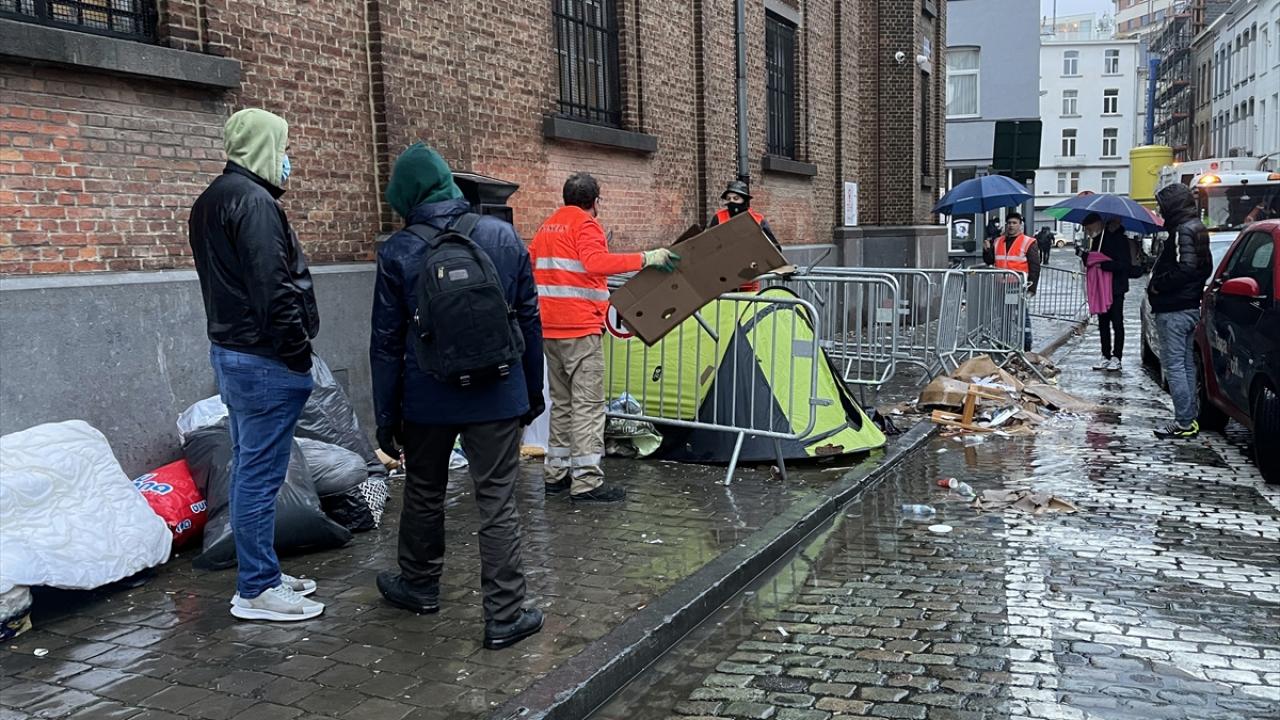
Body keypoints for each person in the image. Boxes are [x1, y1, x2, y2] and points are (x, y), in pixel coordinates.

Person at [370, 142, 545, 650]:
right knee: (497, 499)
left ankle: (420, 585)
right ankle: (505, 615)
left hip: (427, 396)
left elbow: (385, 341)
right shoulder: (502, 236)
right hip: (498, 391)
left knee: (424, 491)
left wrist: (387, 416)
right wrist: (530, 391)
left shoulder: (398, 251)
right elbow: (529, 320)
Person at [188, 108, 323, 622]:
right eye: (283, 147)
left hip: (236, 352)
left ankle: (261, 571)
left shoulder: (212, 200)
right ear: (264, 147)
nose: (287, 159)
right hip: (264, 358)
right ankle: (258, 588)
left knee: (251, 468)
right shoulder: (254, 202)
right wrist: (297, 354)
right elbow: (274, 288)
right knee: (260, 475)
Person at [530, 173, 679, 503]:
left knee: (563, 404)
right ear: (594, 201)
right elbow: (596, 263)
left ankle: (556, 474)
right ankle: (586, 481)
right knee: (588, 406)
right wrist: (646, 258)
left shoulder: (546, 228)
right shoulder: (585, 225)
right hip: (580, 329)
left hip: (550, 330)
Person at [1148, 183, 1213, 439]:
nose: (1160, 211)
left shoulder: (1182, 230)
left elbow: (1186, 268)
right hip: (1187, 306)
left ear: (1172, 206)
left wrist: (1159, 286)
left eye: (1162, 206)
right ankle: (1190, 418)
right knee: (1185, 364)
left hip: (1174, 308)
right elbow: (1204, 268)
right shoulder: (1197, 227)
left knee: (1174, 366)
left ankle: (1184, 421)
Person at [1078, 213, 1133, 372]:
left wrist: (1104, 265)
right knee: (1103, 323)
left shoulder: (1120, 240)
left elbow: (1124, 264)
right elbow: (1092, 260)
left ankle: (1117, 357)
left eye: (1089, 228)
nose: (1088, 232)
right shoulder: (1098, 240)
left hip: (1116, 287)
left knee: (1117, 322)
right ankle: (1105, 355)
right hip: (1100, 288)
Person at [707, 180, 781, 292]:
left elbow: (774, 249)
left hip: (750, 280)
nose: (731, 201)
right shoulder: (718, 217)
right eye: (728, 198)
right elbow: (708, 244)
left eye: (736, 198)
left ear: (744, 200)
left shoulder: (757, 219)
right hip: (724, 281)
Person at [983, 212, 1041, 351]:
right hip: (1001, 285)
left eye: (1014, 223)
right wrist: (987, 250)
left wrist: (1032, 288)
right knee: (1004, 315)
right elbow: (990, 261)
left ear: (1020, 225)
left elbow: (1035, 267)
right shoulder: (998, 241)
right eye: (1009, 223)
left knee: (1020, 315)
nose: (1011, 226)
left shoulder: (1028, 242)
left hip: (1017, 285)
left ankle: (1026, 344)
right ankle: (1005, 342)